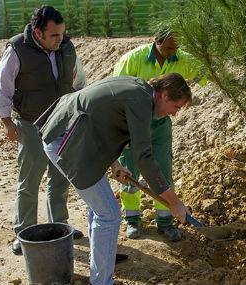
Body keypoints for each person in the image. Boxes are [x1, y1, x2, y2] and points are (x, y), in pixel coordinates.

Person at [36, 73, 192, 285]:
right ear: (164, 95)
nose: (174, 114)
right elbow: (143, 156)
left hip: (74, 136)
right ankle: (101, 281)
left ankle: (100, 259)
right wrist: (174, 202)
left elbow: (102, 121)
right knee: (108, 214)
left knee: (100, 208)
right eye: (176, 107)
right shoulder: (141, 102)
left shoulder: (139, 89)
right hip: (66, 142)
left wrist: (114, 163)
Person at [0, 5, 86, 255]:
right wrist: (7, 122)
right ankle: (23, 233)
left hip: (62, 123)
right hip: (31, 124)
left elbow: (79, 82)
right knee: (29, 181)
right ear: (38, 33)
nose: (60, 39)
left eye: (62, 34)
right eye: (54, 35)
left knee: (60, 179)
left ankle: (60, 225)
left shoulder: (66, 47)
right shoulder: (17, 49)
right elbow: (2, 86)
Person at [113, 27, 206, 240]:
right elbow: (118, 91)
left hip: (161, 124)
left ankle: (165, 221)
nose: (173, 51)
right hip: (133, 122)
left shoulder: (182, 59)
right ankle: (133, 219)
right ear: (156, 41)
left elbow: (207, 73)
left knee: (162, 169)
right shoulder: (133, 60)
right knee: (130, 169)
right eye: (169, 47)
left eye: (176, 47)